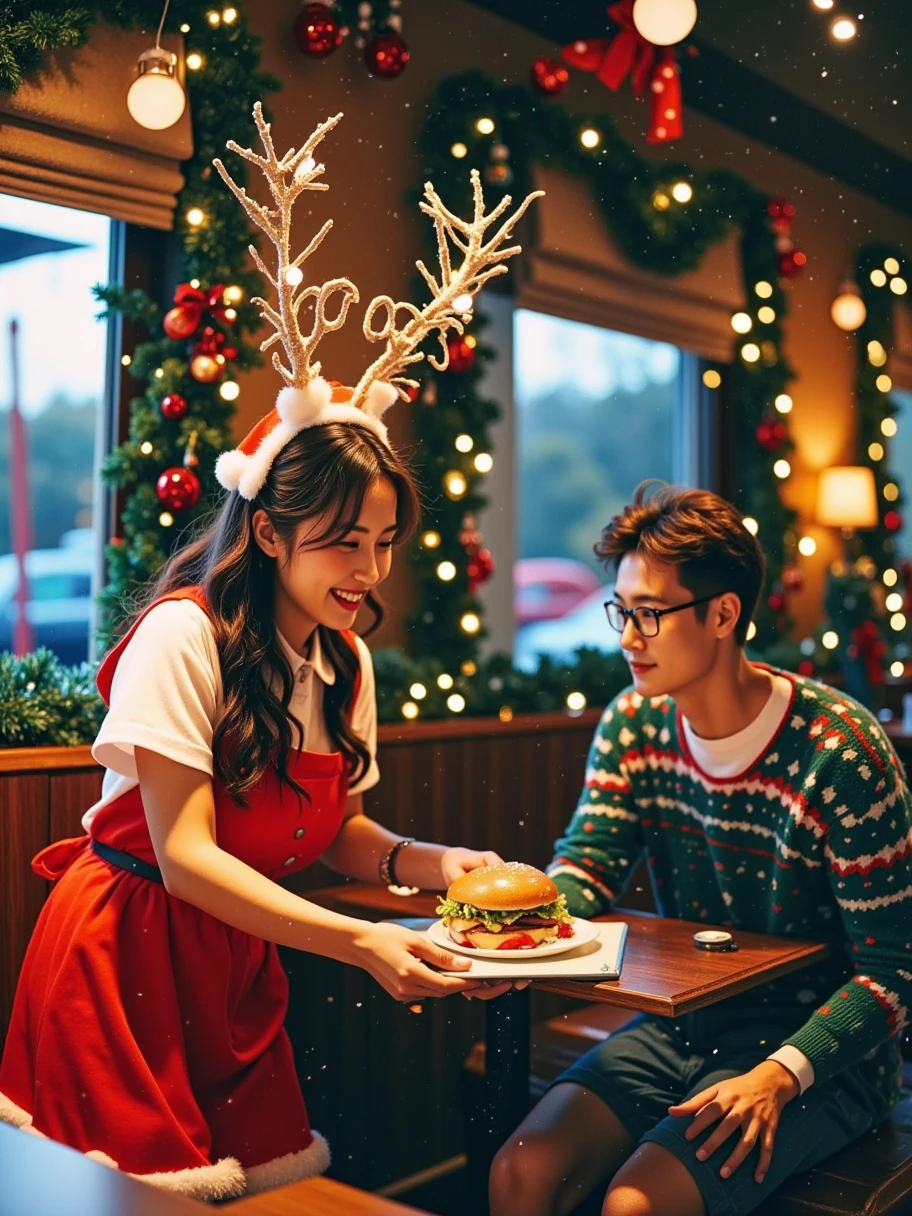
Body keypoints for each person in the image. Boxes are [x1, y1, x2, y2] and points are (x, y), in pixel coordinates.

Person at [0, 103, 542, 1201]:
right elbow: (189, 852)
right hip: (125, 957)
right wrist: (361, 946)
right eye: (345, 541)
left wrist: (438, 868)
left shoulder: (345, 662)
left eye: (385, 542)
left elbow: (336, 830)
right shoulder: (182, 636)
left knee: (260, 1184)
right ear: (268, 530)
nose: (369, 570)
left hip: (233, 962)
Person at [490, 482, 912, 1216]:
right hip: (682, 1022)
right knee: (519, 1175)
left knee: (636, 1205)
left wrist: (780, 1075)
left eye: (650, 614)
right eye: (622, 611)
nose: (627, 637)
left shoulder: (839, 751)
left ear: (724, 614)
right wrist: (503, 923)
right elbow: (586, 867)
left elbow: (894, 971)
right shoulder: (634, 725)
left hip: (817, 1054)